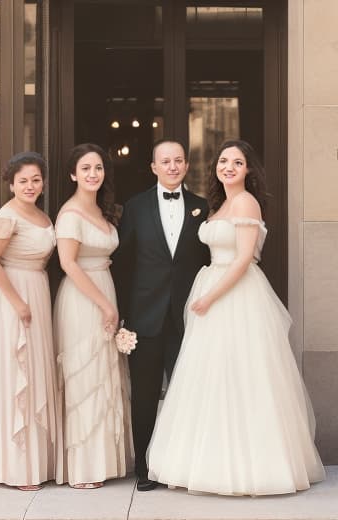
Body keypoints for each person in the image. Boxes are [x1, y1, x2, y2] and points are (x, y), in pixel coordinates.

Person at [147, 140, 326, 496]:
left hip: (236, 294)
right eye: (224, 161)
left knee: (244, 376)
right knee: (211, 377)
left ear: (248, 170)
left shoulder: (246, 202)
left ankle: (251, 467)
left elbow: (244, 259)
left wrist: (209, 297)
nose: (229, 167)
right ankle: (209, 461)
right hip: (213, 288)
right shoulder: (221, 204)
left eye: (238, 162)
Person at [113, 140, 210, 491]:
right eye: (165, 161)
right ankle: (144, 467)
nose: (172, 166)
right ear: (153, 167)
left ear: (186, 166)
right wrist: (124, 316)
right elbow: (123, 264)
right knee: (144, 395)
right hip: (145, 317)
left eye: (178, 161)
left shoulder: (203, 206)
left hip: (190, 318)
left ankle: (185, 464)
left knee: (190, 393)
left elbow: (209, 262)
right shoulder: (135, 207)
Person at [0, 151, 63, 490]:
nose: (30, 185)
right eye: (23, 180)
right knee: (17, 373)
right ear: (11, 183)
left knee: (37, 368)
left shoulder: (41, 214)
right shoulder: (5, 216)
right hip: (11, 294)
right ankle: (16, 466)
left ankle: (39, 462)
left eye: (35, 179)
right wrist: (18, 303)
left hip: (37, 287)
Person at [53, 143, 133, 489]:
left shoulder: (103, 212)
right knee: (84, 375)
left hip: (105, 286)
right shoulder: (69, 214)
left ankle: (107, 462)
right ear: (73, 174)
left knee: (105, 373)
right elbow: (68, 263)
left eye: (98, 168)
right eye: (85, 168)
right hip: (83, 297)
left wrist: (110, 302)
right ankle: (84, 468)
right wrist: (105, 304)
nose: (92, 174)